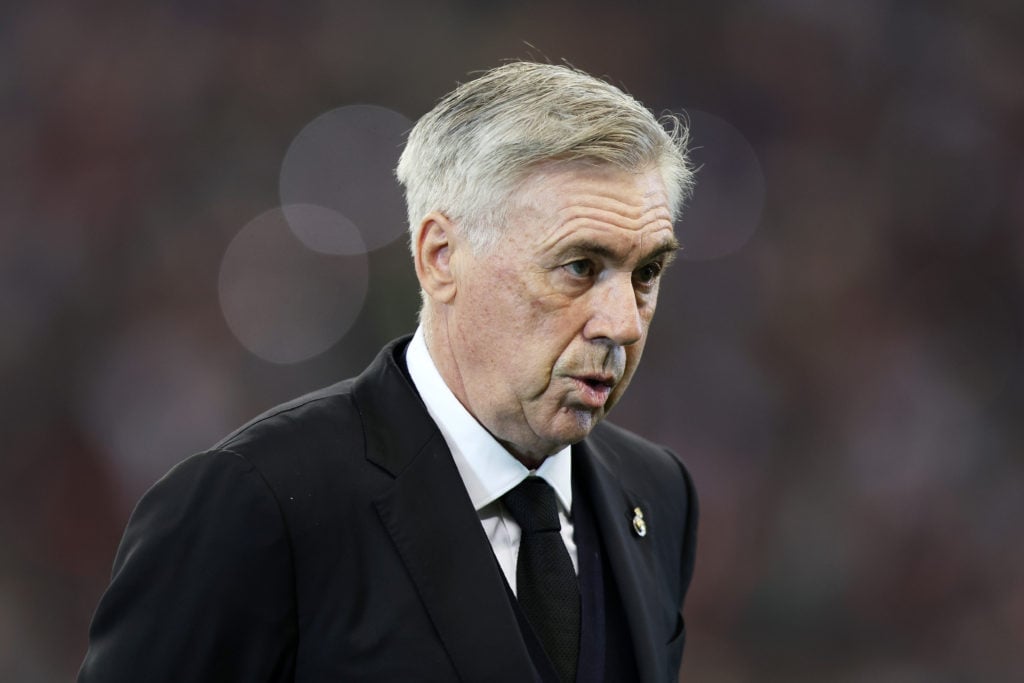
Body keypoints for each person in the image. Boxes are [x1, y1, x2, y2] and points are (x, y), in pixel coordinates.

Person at [79, 61, 698, 683]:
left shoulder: (657, 494)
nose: (623, 324)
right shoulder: (255, 504)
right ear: (441, 257)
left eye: (646, 274)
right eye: (580, 267)